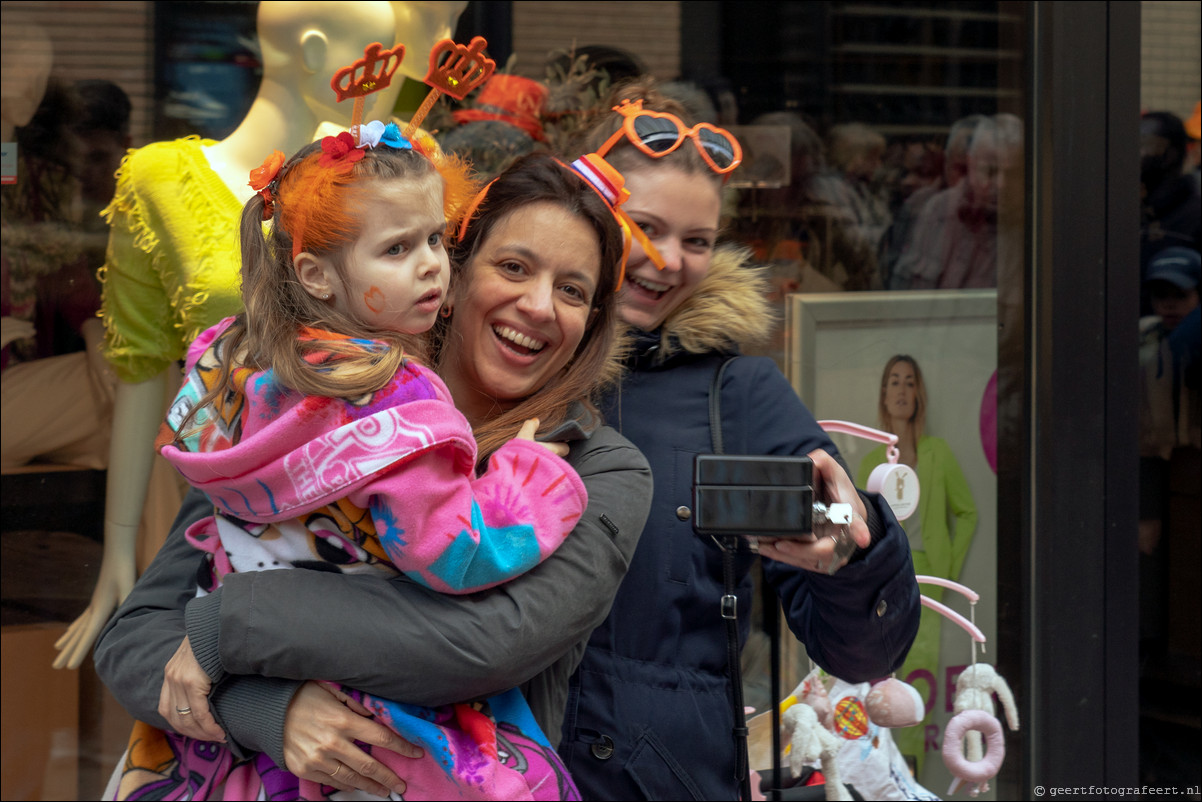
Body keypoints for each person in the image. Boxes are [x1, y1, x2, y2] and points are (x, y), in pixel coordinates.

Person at [95, 150, 652, 799]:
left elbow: (482, 646)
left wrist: (227, 626)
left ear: (591, 327)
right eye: (514, 267)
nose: (537, 305)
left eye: (573, 291)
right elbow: (136, 636)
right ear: (457, 271)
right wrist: (266, 711)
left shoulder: (593, 467)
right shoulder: (304, 403)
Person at [554, 82, 920, 800]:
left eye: (696, 241)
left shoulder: (738, 393)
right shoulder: (498, 362)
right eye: (645, 228)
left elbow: (863, 649)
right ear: (583, 213)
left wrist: (852, 553)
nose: (667, 262)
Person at [54, 0, 429, 671]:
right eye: (376, 58)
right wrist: (117, 548)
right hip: (222, 486)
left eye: (394, 59)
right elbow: (142, 371)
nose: (386, 79)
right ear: (314, 52)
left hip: (372, 480)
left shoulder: (364, 175)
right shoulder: (159, 181)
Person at [855, 354, 977, 774]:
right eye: (894, 382)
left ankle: (911, 769)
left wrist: (948, 569)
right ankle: (877, 768)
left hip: (927, 576)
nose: (902, 390)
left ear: (918, 395)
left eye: (909, 382)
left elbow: (967, 512)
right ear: (884, 396)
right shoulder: (872, 463)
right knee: (882, 670)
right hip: (885, 577)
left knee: (920, 669)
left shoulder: (937, 453)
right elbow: (861, 527)